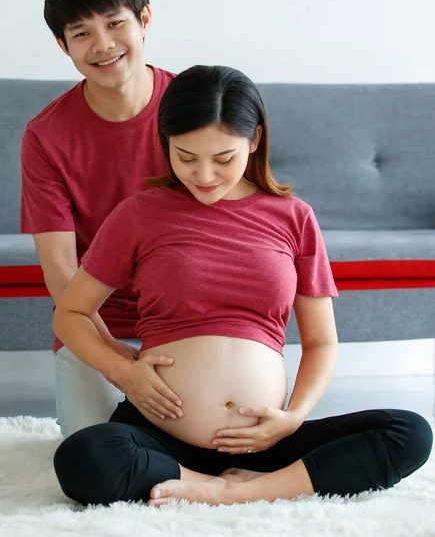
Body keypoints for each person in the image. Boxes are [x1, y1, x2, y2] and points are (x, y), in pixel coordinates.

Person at [51, 64, 432, 506]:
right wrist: (124, 373)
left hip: (266, 443)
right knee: (83, 457)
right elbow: (71, 312)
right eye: (186, 157)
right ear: (166, 143)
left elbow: (321, 341)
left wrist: (293, 418)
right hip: (160, 433)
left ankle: (241, 490)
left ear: (253, 141)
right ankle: (206, 481)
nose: (205, 176)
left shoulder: (295, 218)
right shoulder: (139, 213)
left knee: (409, 432)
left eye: (224, 158)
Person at [20, 0, 176, 437]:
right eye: (82, 32)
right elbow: (62, 273)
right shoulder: (45, 137)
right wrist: (116, 365)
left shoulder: (194, 107)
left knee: (211, 442)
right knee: (95, 457)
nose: (104, 45)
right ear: (63, 44)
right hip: (91, 319)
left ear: (144, 20)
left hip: (185, 312)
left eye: (114, 23)